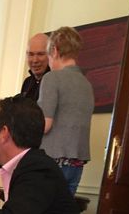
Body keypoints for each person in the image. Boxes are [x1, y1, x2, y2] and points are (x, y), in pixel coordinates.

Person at [38, 26, 94, 195]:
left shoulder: (52, 78)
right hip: (77, 163)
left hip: (53, 161)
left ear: (54, 50)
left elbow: (45, 125)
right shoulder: (86, 84)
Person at [20, 33, 50, 101]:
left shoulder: (54, 83)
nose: (35, 60)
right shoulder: (27, 82)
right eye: (31, 54)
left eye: (40, 54)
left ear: (50, 55)